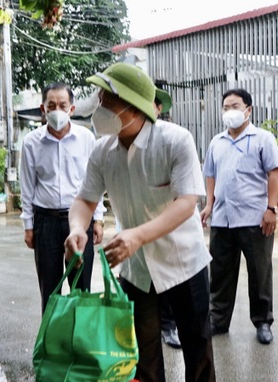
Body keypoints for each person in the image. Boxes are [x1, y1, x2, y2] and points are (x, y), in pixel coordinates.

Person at [64, 63, 216, 381]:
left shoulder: (175, 140)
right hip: (136, 272)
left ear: (134, 106)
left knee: (198, 352)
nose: (99, 107)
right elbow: (84, 201)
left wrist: (138, 236)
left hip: (184, 264)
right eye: (100, 99)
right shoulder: (102, 150)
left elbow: (187, 202)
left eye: (108, 100)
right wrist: (77, 227)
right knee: (141, 358)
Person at [200, 88, 278, 345]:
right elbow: (211, 174)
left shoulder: (262, 138)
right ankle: (218, 319)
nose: (229, 112)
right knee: (220, 272)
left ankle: (262, 321)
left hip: (254, 218)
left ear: (248, 109)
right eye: (225, 107)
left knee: (260, 272)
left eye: (234, 106)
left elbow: (274, 173)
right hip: (223, 218)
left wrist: (271, 209)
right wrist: (209, 204)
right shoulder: (217, 141)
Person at [19, 82, 105, 313]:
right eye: (52, 105)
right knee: (49, 289)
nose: (57, 110)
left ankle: (80, 339)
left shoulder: (86, 139)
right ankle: (51, 342)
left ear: (72, 108)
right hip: (45, 222)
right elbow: (27, 186)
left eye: (62, 105)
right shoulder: (31, 143)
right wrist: (29, 226)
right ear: (43, 108)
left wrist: (98, 218)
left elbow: (94, 182)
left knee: (81, 285)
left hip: (80, 222)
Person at [154, 88, 181, 349]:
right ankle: (163, 326)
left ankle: (170, 325)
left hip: (173, 227)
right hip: (140, 231)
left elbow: (184, 198)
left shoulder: (175, 141)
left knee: (172, 282)